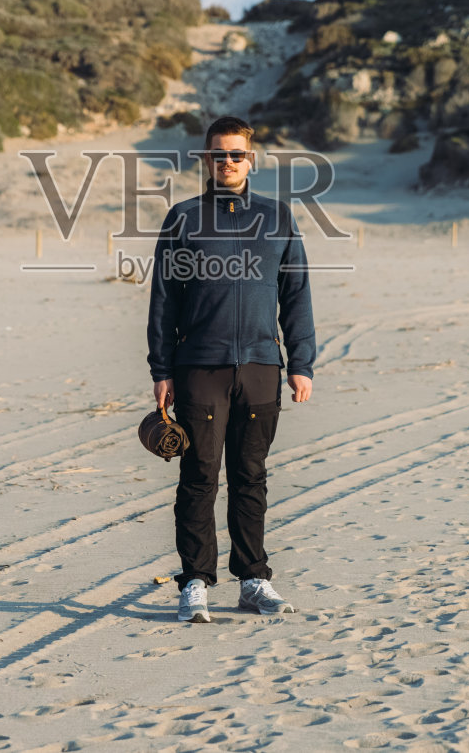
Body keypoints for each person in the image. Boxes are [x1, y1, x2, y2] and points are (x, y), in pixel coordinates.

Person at [146, 115, 316, 623]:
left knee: (251, 477)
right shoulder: (183, 219)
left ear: (251, 160)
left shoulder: (278, 218)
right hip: (200, 367)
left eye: (236, 154)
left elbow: (296, 294)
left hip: (262, 367)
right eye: (218, 154)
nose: (227, 163)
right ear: (206, 160)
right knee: (199, 476)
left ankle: (253, 579)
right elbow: (163, 302)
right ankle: (195, 581)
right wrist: (162, 368)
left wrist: (300, 362)